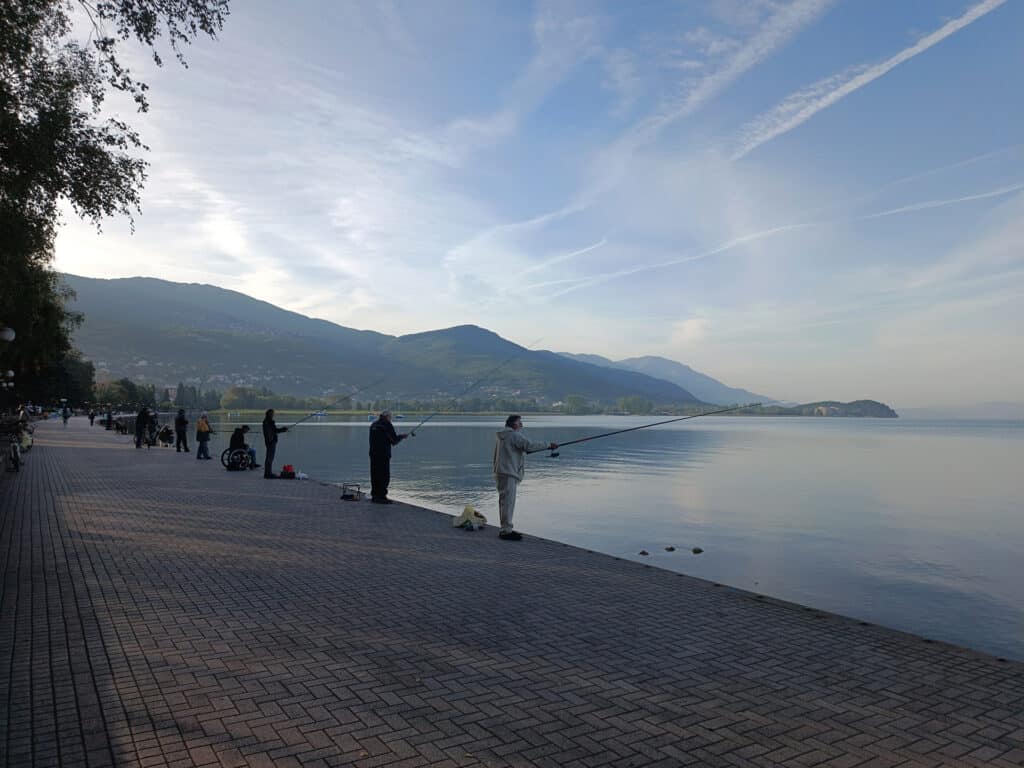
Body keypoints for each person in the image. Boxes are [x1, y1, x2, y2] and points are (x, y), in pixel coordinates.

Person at [492, 414, 557, 541]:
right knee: (508, 502)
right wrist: (549, 445)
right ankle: (506, 531)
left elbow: (522, 448)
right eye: (519, 422)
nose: (521, 425)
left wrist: (528, 450)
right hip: (509, 473)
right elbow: (529, 446)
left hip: (500, 472)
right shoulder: (514, 435)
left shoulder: (503, 436)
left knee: (504, 502)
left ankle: (506, 528)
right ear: (514, 424)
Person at [368, 410, 411, 503]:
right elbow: (394, 441)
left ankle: (375, 496)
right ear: (387, 417)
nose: (391, 419)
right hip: (383, 454)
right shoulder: (386, 425)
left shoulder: (373, 425)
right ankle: (381, 497)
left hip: (373, 454)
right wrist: (402, 436)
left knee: (375, 475)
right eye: (391, 417)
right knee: (384, 476)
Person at [261, 408, 288, 479]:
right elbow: (275, 431)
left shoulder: (265, 421)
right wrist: (283, 429)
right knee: (270, 458)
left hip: (268, 441)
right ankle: (268, 474)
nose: (273, 414)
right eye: (272, 413)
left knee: (268, 458)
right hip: (271, 442)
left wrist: (282, 430)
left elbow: (273, 431)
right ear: (270, 414)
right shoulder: (270, 422)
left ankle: (267, 473)